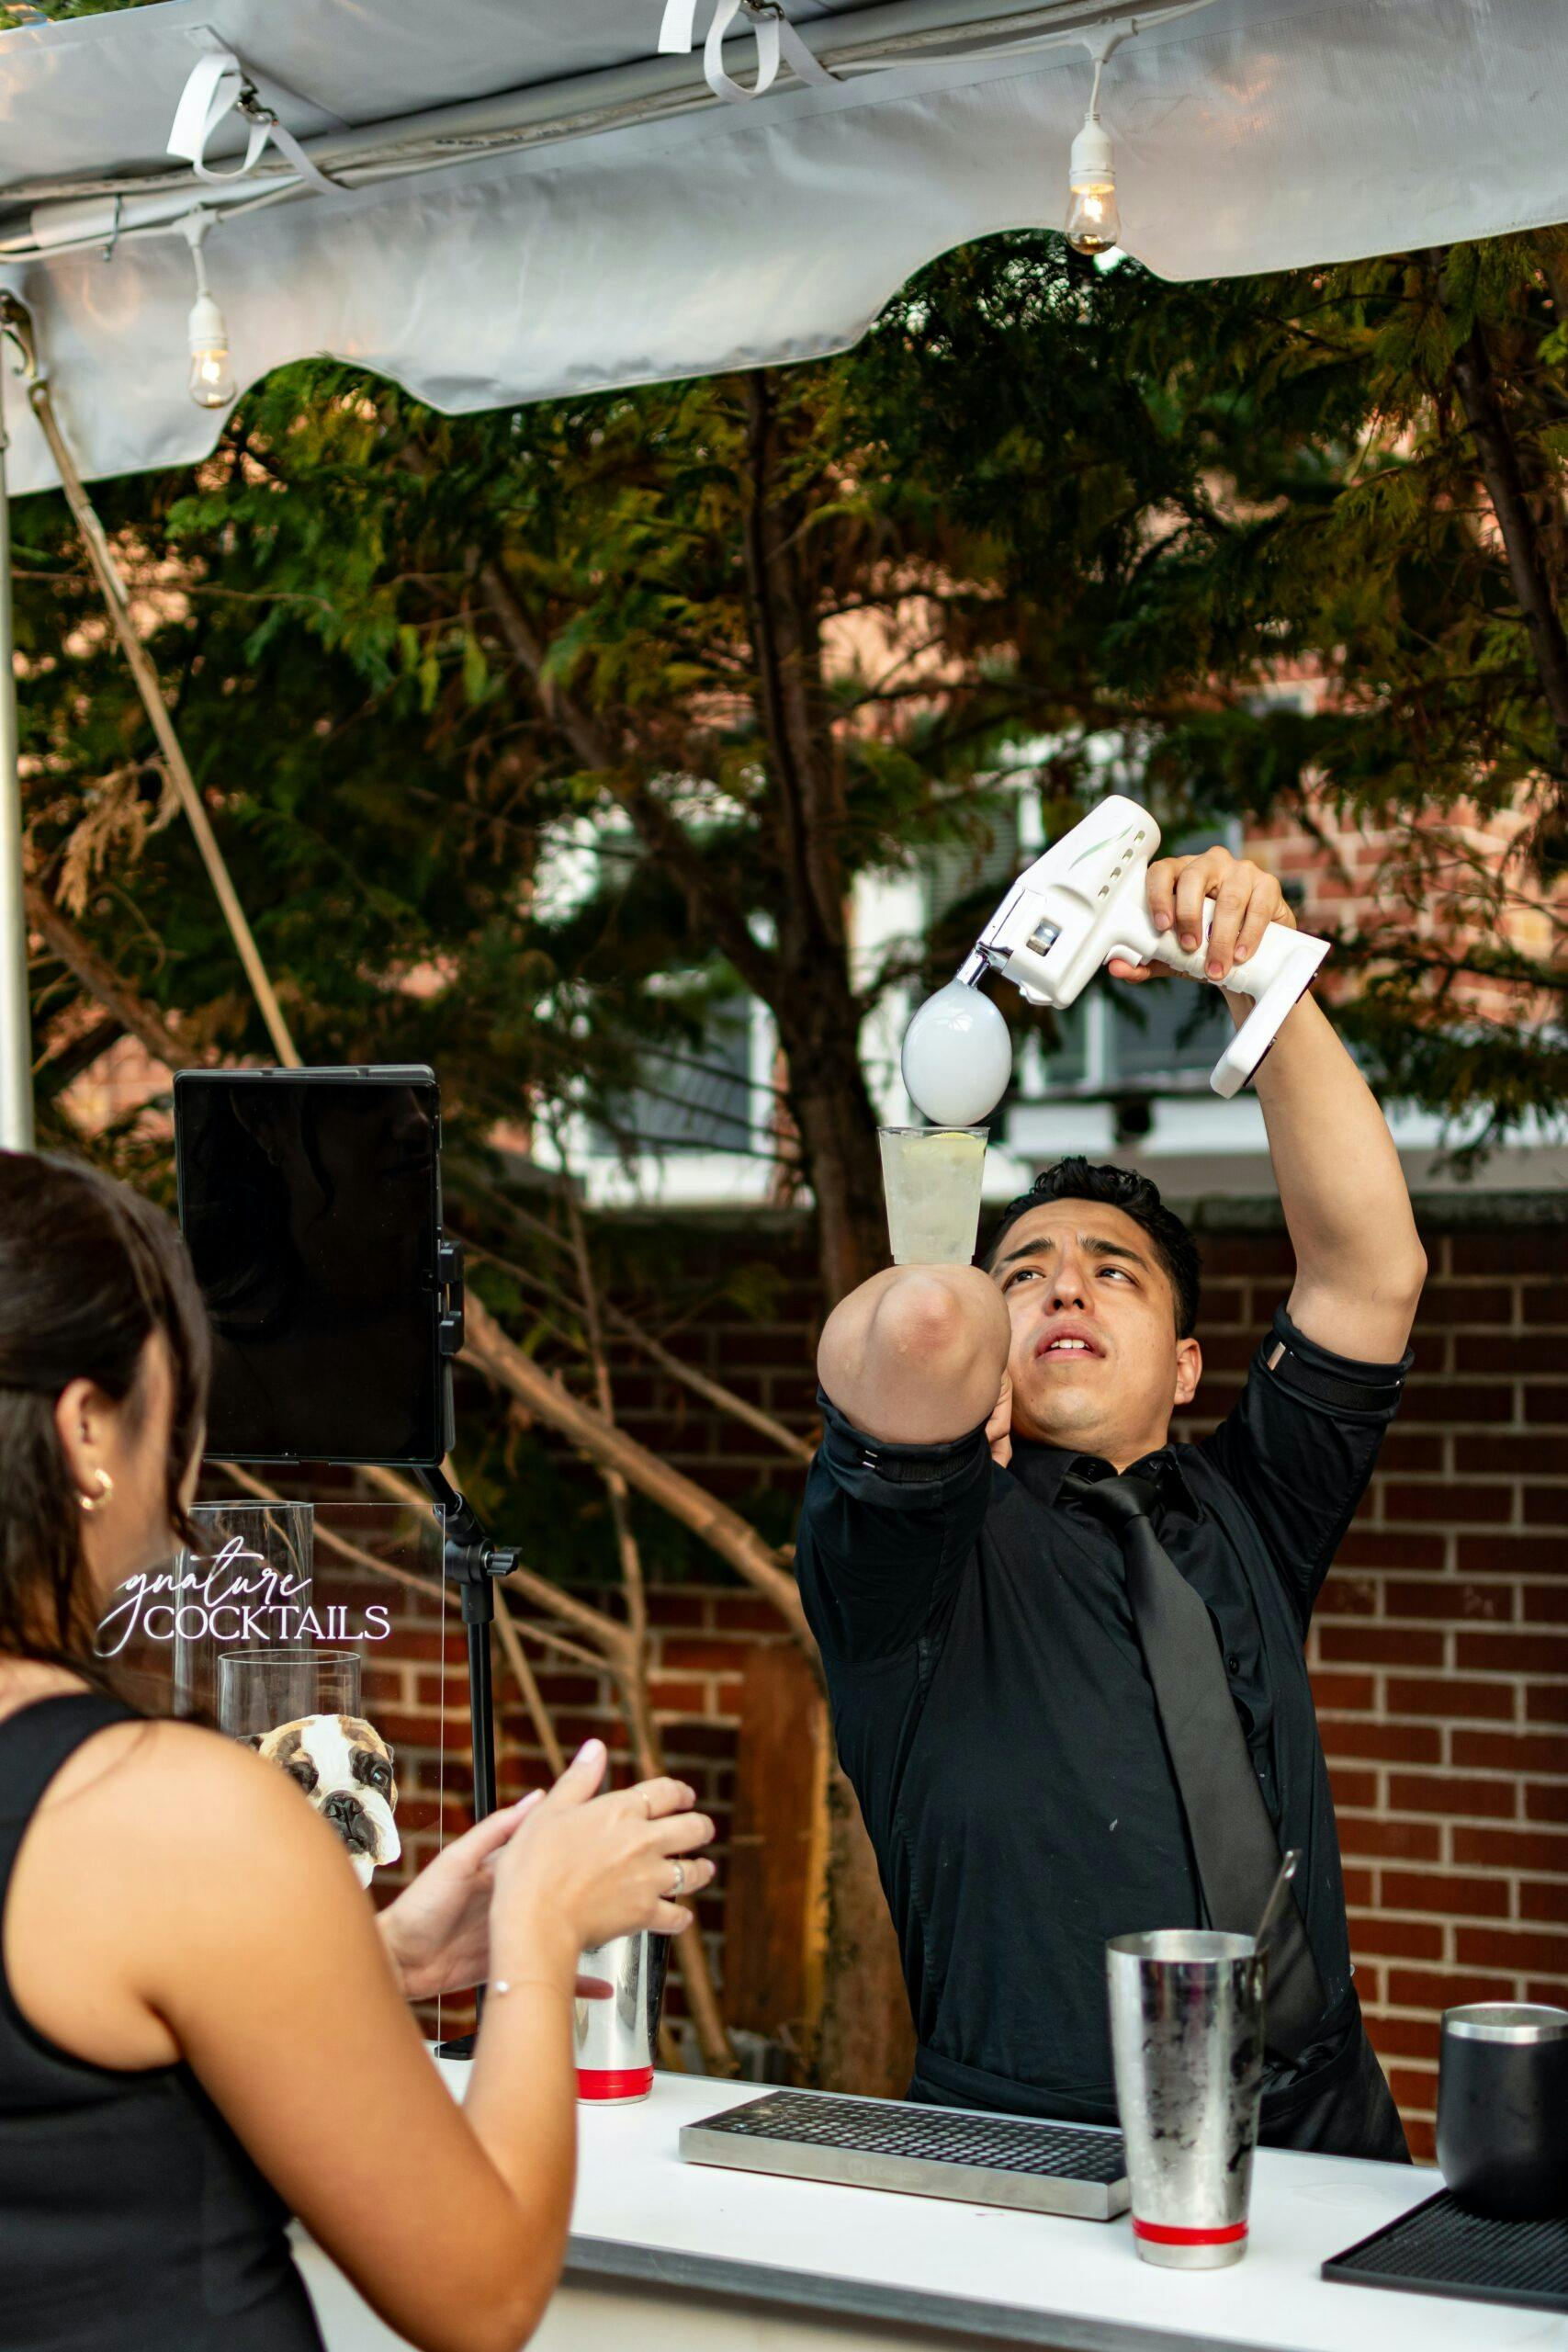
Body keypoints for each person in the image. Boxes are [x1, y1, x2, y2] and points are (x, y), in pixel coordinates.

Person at [0, 1149, 716, 2352]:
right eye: (183, 1397)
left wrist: (365, 1962)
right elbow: (478, 2293)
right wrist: (535, 1935)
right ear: (87, 1429)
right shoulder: (162, 1815)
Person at [797, 842, 1427, 2160]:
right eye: (1026, 1272)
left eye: (1114, 1274)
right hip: (1033, 2153)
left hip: (1324, 2127)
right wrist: (965, 1088)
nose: (1068, 1287)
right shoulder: (916, 1557)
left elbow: (1371, 1271)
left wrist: (1253, 965)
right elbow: (915, 1326)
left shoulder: (1246, 1509)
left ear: (1190, 1367)